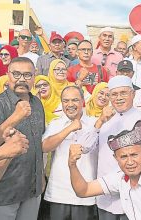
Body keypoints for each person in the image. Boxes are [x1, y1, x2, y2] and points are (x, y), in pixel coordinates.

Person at [0, 57, 45, 220]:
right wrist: (15, 117)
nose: (21, 79)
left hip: (32, 188)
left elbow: (38, 144)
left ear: (34, 77)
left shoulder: (37, 103)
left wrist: (40, 176)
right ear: (7, 75)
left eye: (27, 75)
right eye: (16, 74)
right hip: (6, 189)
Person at [96, 75, 141, 220]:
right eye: (114, 94)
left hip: (136, 196)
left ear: (133, 94)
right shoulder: (103, 122)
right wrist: (100, 122)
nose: (118, 98)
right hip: (106, 196)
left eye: (123, 93)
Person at [42, 86, 111, 220]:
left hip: (86, 193)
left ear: (82, 102)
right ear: (61, 103)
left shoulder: (94, 123)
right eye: (66, 101)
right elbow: (45, 147)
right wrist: (69, 128)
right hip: (59, 192)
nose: (70, 104)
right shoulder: (56, 123)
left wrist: (99, 123)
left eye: (75, 100)